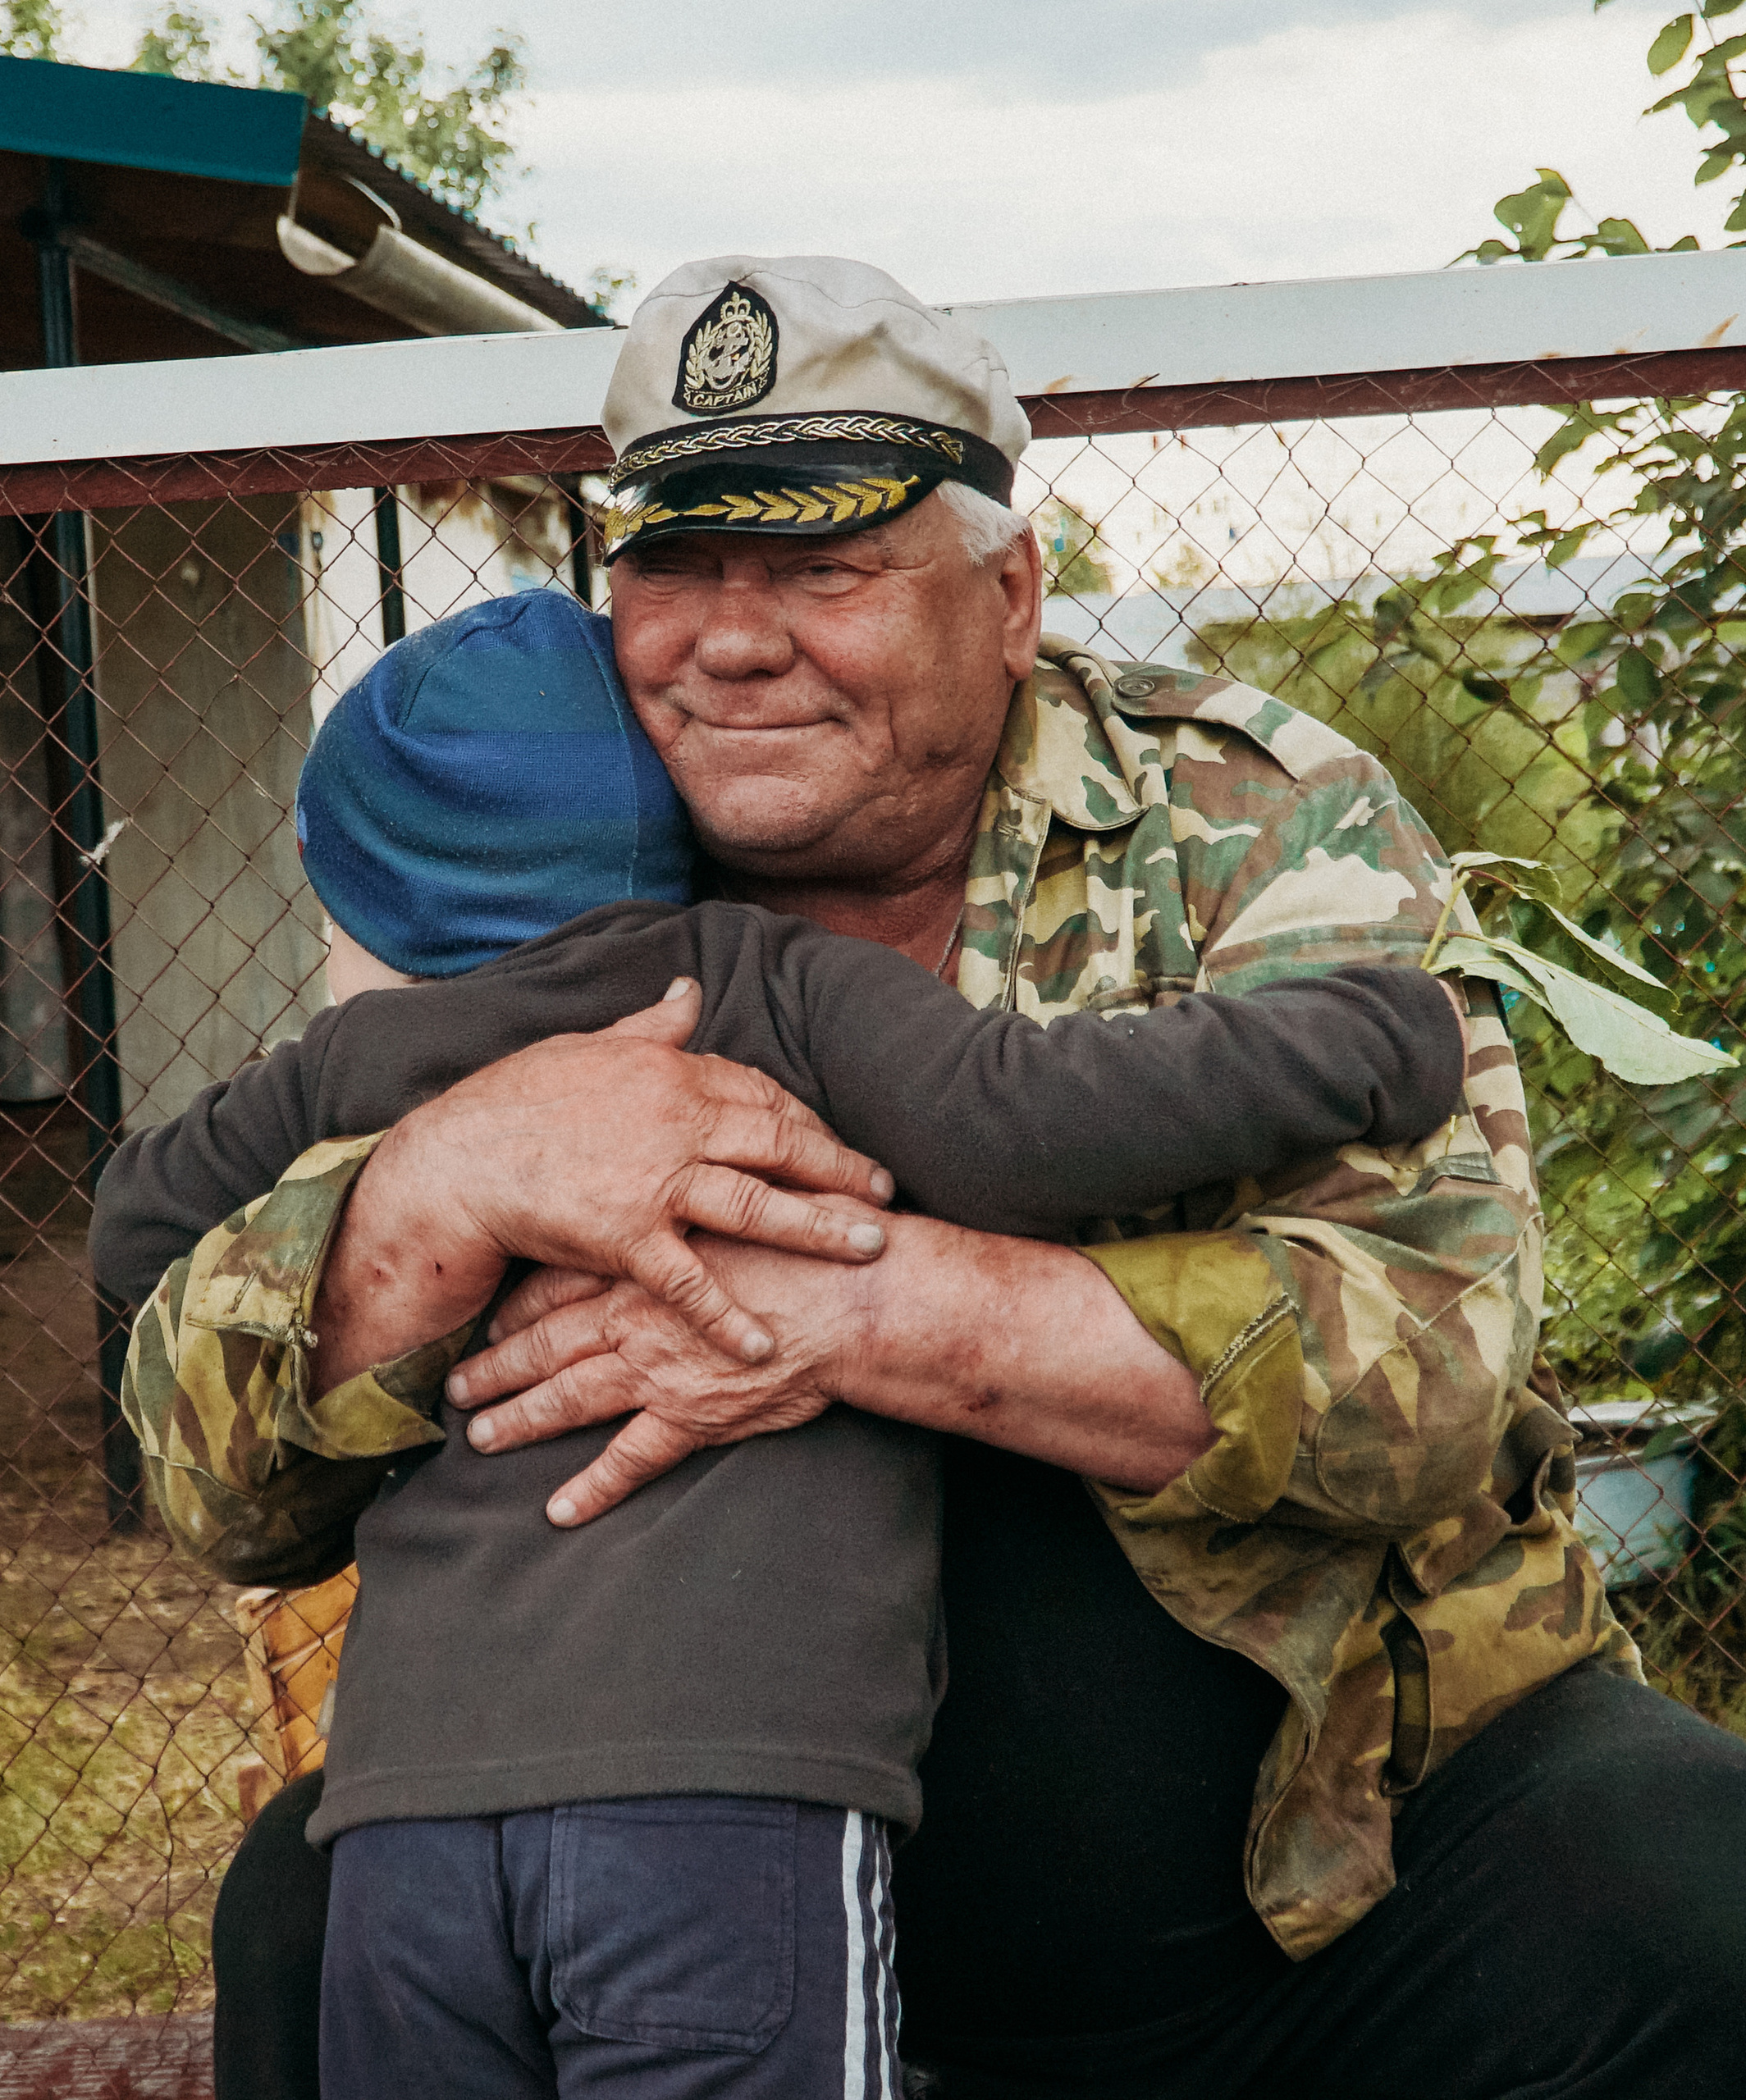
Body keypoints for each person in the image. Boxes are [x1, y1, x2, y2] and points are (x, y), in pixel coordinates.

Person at [122, 258, 1746, 2099]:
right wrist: (438, 1189)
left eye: (823, 569)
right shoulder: (537, 841)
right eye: (673, 564)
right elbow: (216, 1483)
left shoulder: (1236, 816)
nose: (730, 643)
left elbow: (1427, 1374)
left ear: (1010, 591)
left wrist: (853, 1311)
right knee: (305, 1909)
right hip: (710, 1857)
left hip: (1335, 1853)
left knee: (1694, 1890)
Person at [94, 584, 1465, 2100]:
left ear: (352, 902)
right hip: (720, 1810)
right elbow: (1032, 1125)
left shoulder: (357, 1069)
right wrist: (1366, 1041)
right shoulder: (764, 980)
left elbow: (137, 1232)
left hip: (409, 1820)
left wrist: (389, 1184)